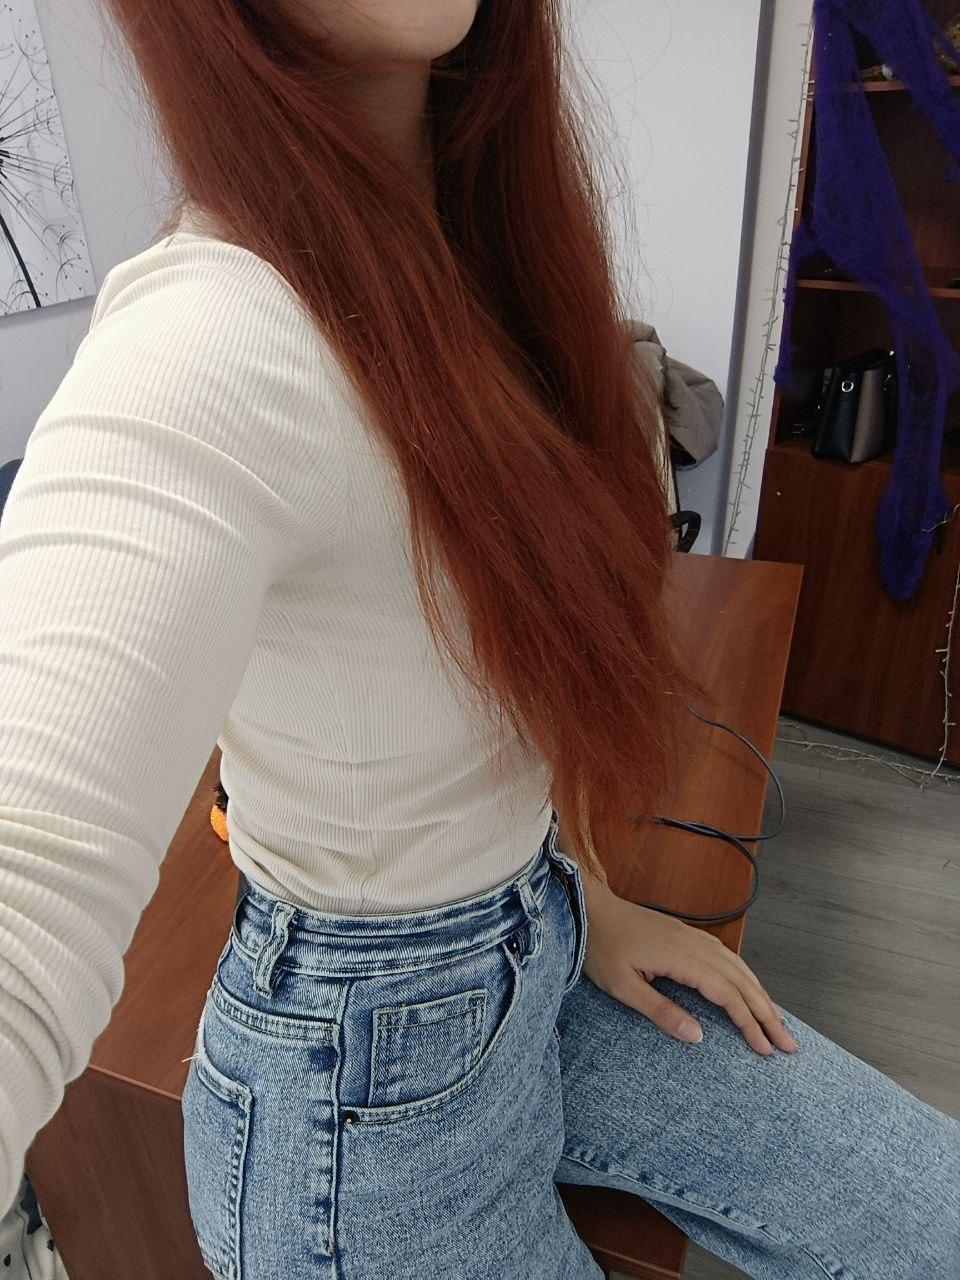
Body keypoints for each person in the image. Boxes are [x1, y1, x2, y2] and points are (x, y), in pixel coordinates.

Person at [0, 2, 957, 1276]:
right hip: (362, 1105)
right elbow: (27, 883)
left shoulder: (481, 266)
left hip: (537, 944)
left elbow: (503, 688)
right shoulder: (207, 340)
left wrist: (585, 899)